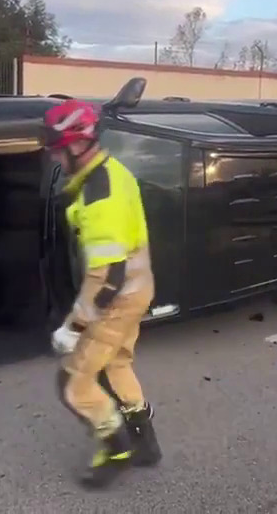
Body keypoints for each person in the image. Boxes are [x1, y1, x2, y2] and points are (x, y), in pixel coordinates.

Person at [43, 99, 160, 488]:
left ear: (76, 145)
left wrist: (75, 327)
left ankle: (116, 449)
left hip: (116, 297)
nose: (55, 157)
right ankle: (146, 443)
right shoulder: (111, 171)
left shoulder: (100, 194)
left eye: (57, 149)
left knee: (74, 383)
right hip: (139, 289)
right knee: (117, 364)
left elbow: (107, 276)